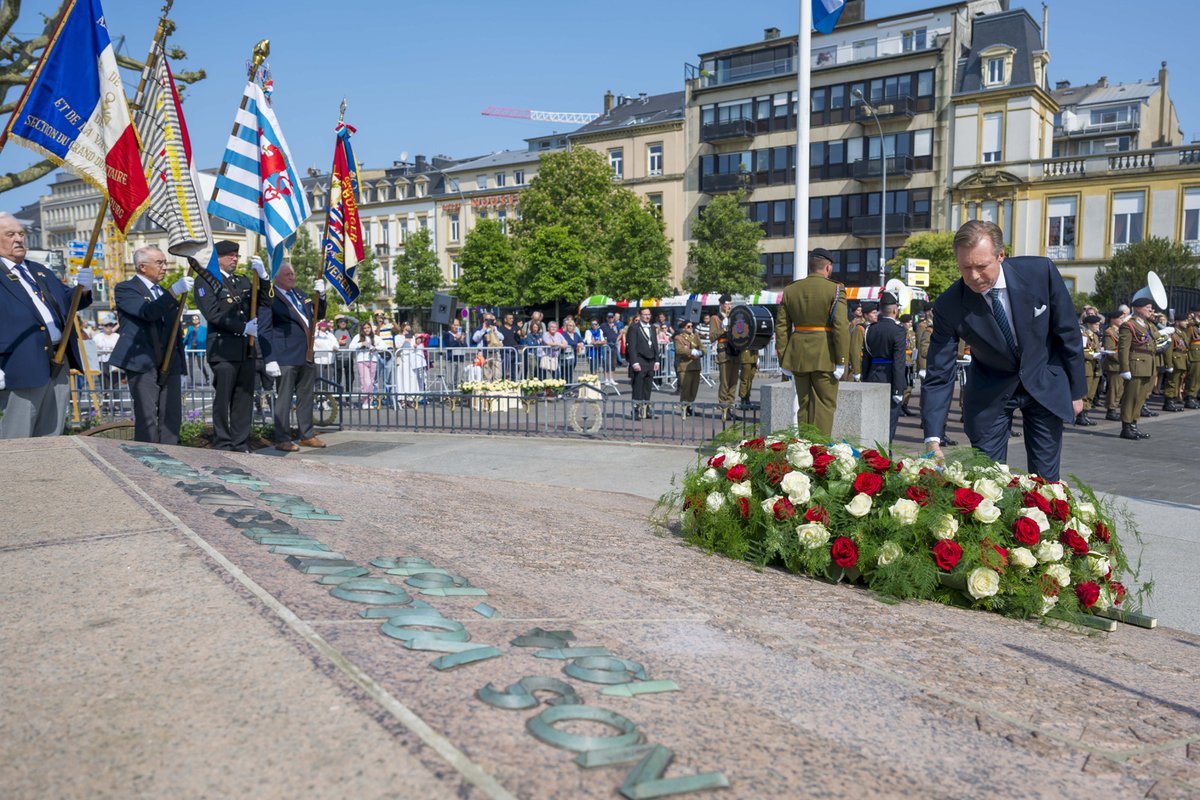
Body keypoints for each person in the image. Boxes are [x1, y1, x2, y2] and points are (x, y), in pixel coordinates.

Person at [921, 221, 1084, 480]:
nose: (973, 276)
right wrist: (933, 438)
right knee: (987, 483)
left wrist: (1076, 392)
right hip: (990, 391)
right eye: (965, 267)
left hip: (1043, 382)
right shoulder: (949, 305)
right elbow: (939, 372)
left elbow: (1067, 332)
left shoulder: (1040, 273)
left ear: (1000, 255)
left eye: (981, 266)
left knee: (1045, 482)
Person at [0, 212, 94, 438]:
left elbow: (66, 303)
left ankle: (46, 474)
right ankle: (15, 475)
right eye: (10, 234)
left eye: (21, 234)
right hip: (18, 365)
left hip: (56, 361)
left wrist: (84, 288)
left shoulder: (37, 270)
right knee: (17, 435)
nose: (19, 239)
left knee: (51, 432)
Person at [193, 239, 271, 452]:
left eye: (236, 256)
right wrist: (242, 327)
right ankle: (223, 442)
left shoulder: (242, 281)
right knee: (223, 400)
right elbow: (213, 314)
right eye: (230, 256)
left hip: (246, 349)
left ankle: (240, 442)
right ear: (217, 258)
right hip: (223, 350)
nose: (235, 259)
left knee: (244, 398)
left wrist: (264, 277)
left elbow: (265, 301)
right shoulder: (206, 282)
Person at [108, 246, 191, 443]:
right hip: (142, 360)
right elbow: (148, 312)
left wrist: (180, 364)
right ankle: (147, 459)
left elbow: (174, 330)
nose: (165, 267)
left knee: (171, 416)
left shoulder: (162, 292)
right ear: (142, 267)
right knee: (147, 417)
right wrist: (173, 292)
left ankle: (171, 456)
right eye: (159, 263)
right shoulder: (126, 289)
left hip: (168, 361)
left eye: (165, 262)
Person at [774, 248, 848, 437]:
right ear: (828, 267)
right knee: (824, 405)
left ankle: (805, 450)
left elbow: (781, 327)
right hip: (826, 355)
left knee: (804, 404)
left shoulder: (791, 289)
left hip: (798, 355)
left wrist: (783, 358)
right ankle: (819, 453)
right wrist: (841, 360)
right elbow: (840, 327)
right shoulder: (836, 289)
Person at [259, 262, 327, 452]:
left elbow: (317, 314)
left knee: (306, 397)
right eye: (287, 274)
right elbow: (264, 328)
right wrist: (269, 357)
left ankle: (307, 435)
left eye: (293, 273)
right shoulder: (271, 296)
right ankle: (282, 438)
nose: (292, 277)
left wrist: (321, 296)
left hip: (305, 354)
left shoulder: (299, 294)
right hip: (285, 355)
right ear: (277, 277)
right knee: (285, 399)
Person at [862, 291, 907, 441]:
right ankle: (885, 455)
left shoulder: (870, 329)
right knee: (889, 422)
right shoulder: (898, 331)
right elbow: (899, 362)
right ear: (895, 310)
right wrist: (898, 388)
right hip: (890, 379)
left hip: (872, 376)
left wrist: (864, 380)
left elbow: (866, 359)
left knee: (871, 419)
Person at [1117, 297, 1159, 441]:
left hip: (1148, 364)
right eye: (1147, 307)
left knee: (1141, 397)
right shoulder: (1128, 325)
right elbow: (1123, 349)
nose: (1150, 310)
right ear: (1138, 308)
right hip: (1136, 365)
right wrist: (1124, 368)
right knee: (1131, 397)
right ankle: (1126, 426)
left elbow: (1155, 340)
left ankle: (1134, 424)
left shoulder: (1147, 324)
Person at [708, 295, 741, 417]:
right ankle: (723, 409)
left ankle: (731, 408)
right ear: (721, 304)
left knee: (733, 382)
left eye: (730, 303)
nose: (729, 306)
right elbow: (712, 337)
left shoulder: (735, 317)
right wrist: (723, 328)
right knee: (725, 382)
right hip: (724, 351)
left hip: (735, 351)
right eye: (727, 303)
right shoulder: (715, 318)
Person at [627, 307, 660, 419]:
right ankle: (636, 410)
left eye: (649, 314)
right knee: (638, 386)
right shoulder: (634, 328)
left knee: (648, 386)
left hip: (650, 360)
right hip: (640, 359)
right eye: (645, 314)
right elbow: (631, 347)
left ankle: (646, 409)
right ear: (640, 315)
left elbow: (655, 344)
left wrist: (657, 360)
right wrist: (634, 362)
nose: (647, 316)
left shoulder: (652, 328)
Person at [1077, 314, 1103, 425]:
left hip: (1095, 368)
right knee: (1085, 393)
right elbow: (1081, 352)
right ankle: (1080, 416)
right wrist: (1094, 356)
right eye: (1096, 324)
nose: (1098, 326)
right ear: (1089, 325)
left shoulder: (1095, 336)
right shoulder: (1083, 335)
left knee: (1091, 393)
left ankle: (1086, 413)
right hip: (1087, 367)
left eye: (1098, 324)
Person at [674, 319, 703, 417]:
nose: (691, 328)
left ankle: (690, 407)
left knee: (694, 389)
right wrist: (691, 352)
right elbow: (679, 350)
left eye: (691, 326)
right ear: (683, 328)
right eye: (688, 326)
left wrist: (701, 352)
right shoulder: (679, 338)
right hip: (685, 367)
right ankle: (684, 408)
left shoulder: (695, 337)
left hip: (695, 366)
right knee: (686, 389)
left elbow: (703, 348)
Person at [349, 321, 382, 407]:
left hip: (373, 360)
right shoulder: (358, 337)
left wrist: (376, 348)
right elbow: (350, 347)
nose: (367, 329)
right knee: (365, 382)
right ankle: (364, 401)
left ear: (371, 328)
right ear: (362, 329)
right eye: (365, 328)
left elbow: (384, 346)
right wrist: (361, 344)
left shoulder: (376, 337)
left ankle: (369, 402)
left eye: (368, 327)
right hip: (361, 361)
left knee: (371, 382)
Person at [1101, 310, 1124, 420]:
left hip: (1120, 365)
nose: (1122, 320)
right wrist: (1122, 360)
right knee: (1114, 389)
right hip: (1114, 365)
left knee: (1120, 389)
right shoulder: (1109, 332)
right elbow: (1110, 350)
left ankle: (1114, 407)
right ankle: (1111, 410)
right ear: (1113, 319)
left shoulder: (1120, 331)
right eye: (1120, 318)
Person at [92, 316, 121, 396]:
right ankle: (105, 404)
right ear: (103, 326)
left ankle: (117, 404)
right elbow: (93, 349)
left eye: (110, 325)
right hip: (102, 362)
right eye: (106, 325)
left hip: (114, 363)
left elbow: (120, 348)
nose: (109, 327)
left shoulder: (117, 336)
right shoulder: (97, 337)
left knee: (116, 384)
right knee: (104, 384)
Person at [1185, 307, 1200, 408]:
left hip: (1198, 354)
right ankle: (1190, 397)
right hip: (1194, 354)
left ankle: (1194, 396)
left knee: (1198, 378)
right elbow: (1187, 340)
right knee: (1193, 377)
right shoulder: (1190, 325)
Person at [560, 317, 583, 383]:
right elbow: (569, 342)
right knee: (564, 374)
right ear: (567, 326)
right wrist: (577, 344)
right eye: (569, 325)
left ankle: (569, 388)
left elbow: (581, 340)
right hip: (564, 357)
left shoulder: (575, 334)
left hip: (573, 356)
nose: (571, 327)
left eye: (572, 326)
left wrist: (581, 343)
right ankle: (564, 388)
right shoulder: (564, 334)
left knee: (570, 373)